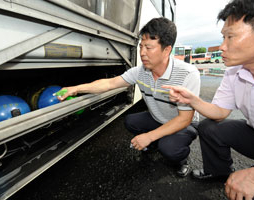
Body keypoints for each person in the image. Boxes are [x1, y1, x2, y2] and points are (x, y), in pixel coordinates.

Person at [57, 17, 200, 177]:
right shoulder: (140, 71)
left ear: (166, 50)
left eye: (148, 47)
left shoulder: (188, 74)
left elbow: (184, 119)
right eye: (141, 46)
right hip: (158, 118)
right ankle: (155, 143)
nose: (142, 53)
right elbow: (109, 83)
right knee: (130, 121)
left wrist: (148, 136)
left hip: (183, 123)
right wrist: (76, 89)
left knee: (169, 148)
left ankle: (181, 160)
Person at [162, 0, 254, 199]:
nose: (222, 46)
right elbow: (219, 113)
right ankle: (219, 172)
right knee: (209, 127)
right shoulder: (234, 72)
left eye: (231, 36)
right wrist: (192, 100)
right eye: (222, 37)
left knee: (251, 194)